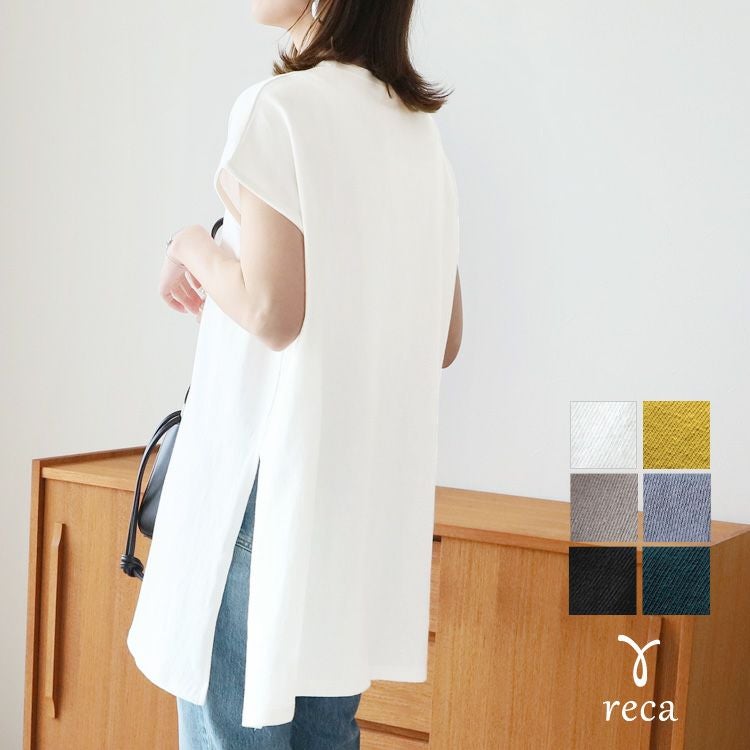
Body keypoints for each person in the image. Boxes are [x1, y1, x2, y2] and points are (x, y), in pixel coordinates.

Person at [128, 0, 462, 747]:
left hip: (260, 496)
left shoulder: (278, 108)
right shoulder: (417, 134)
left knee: (231, 732)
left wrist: (190, 243)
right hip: (347, 506)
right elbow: (442, 336)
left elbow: (272, 311)